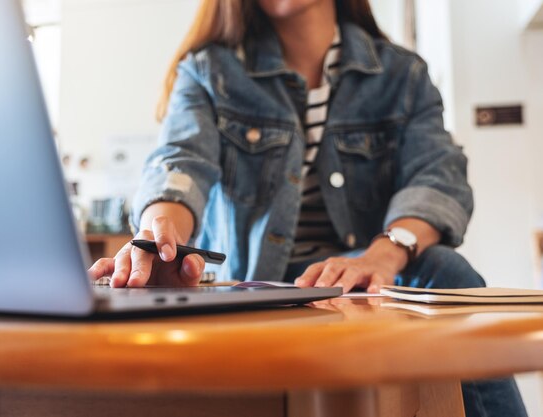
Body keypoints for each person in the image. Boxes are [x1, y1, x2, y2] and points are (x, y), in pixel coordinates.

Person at [88, 0, 527, 415]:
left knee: (446, 269)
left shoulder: (402, 75)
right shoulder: (208, 71)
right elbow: (181, 164)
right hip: (253, 286)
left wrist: (382, 255)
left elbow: (438, 177)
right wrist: (160, 230)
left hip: (365, 287)